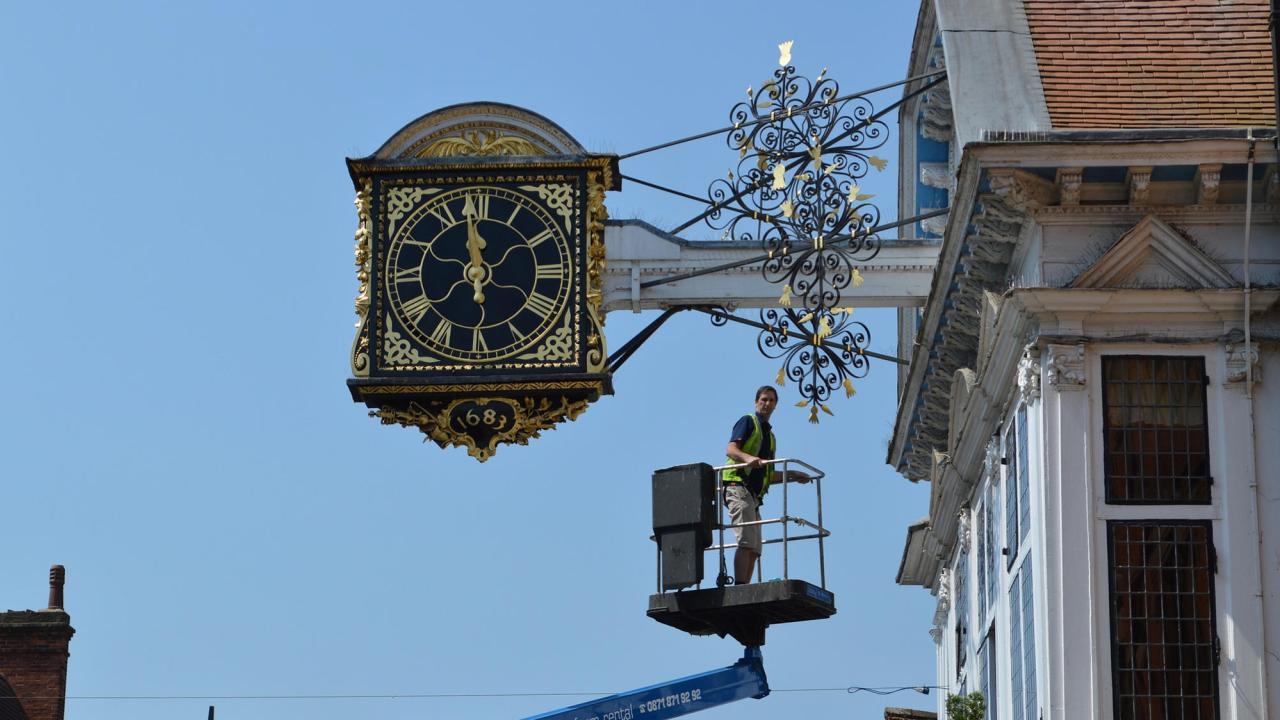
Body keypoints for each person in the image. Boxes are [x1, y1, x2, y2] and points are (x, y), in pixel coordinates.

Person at [722, 385, 808, 585]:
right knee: (745, 541)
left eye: (771, 400)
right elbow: (731, 449)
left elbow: (768, 474)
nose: (767, 403)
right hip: (737, 485)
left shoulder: (770, 437)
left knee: (755, 548)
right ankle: (741, 587)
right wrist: (748, 458)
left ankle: (746, 586)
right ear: (756, 402)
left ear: (776, 405)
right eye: (763, 399)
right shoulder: (748, 421)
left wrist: (792, 475)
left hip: (753, 495)